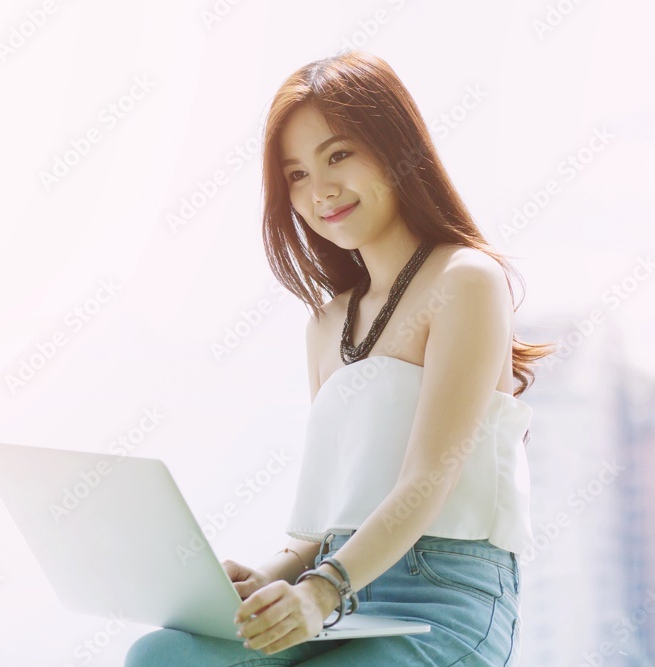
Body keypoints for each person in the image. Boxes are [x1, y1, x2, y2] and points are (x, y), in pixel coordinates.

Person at [124, 50, 556, 666]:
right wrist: (261, 583)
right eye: (296, 174)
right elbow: (326, 526)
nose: (320, 189)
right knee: (163, 654)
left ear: (396, 149)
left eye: (338, 155)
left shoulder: (466, 280)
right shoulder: (326, 326)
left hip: (443, 600)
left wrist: (323, 588)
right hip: (338, 592)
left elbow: (427, 479)